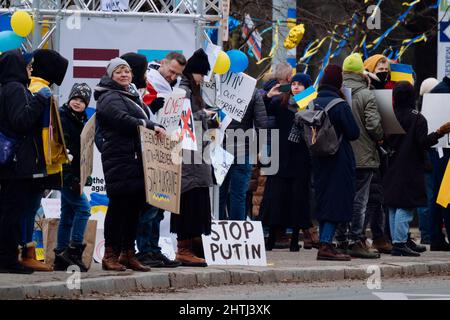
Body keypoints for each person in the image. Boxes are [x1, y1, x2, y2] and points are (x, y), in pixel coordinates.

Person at [95, 57, 165, 272]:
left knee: (134, 209)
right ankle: (110, 255)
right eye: (118, 72)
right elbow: (122, 120)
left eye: (126, 71)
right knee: (118, 208)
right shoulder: (108, 97)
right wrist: (150, 125)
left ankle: (128, 253)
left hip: (136, 159)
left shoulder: (132, 95)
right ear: (110, 75)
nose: (124, 75)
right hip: (120, 159)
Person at [121, 52, 182, 268]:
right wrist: (151, 111)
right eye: (172, 71)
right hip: (141, 153)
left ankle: (153, 249)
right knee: (148, 207)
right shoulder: (131, 91)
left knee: (159, 204)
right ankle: (143, 249)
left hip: (160, 148)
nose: (173, 76)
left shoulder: (150, 88)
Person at [383, 81, 450, 256]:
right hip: (411, 168)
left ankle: (398, 241)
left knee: (392, 206)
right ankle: (399, 243)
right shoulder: (417, 118)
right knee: (405, 207)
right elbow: (423, 143)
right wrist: (439, 132)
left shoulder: (391, 115)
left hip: (391, 166)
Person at [0, 50, 50, 273]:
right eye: (27, 65)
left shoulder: (7, 88)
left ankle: (7, 258)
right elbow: (21, 121)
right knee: (12, 211)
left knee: (8, 210)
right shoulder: (15, 89)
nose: (30, 69)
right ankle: (8, 260)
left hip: (9, 161)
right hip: (16, 162)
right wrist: (40, 99)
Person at [19, 49, 69, 272]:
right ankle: (25, 252)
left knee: (26, 206)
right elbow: (46, 132)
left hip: (29, 159)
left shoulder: (31, 86)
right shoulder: (43, 90)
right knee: (28, 207)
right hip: (39, 161)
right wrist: (57, 158)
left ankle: (24, 251)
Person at [304, 64, 360, 261]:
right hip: (338, 158)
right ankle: (326, 244)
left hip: (318, 158)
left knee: (323, 198)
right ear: (338, 82)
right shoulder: (340, 104)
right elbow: (354, 133)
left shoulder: (311, 103)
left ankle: (326, 241)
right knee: (336, 200)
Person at [170, 49, 215, 267]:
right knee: (190, 200)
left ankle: (192, 246)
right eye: (202, 74)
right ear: (195, 72)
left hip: (196, 154)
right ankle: (184, 248)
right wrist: (203, 115)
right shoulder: (185, 90)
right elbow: (181, 119)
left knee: (196, 200)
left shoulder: (191, 89)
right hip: (188, 155)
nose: (203, 79)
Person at [337, 53, 383, 259]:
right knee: (360, 201)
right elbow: (373, 125)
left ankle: (341, 239)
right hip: (363, 155)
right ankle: (356, 240)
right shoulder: (366, 94)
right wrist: (381, 137)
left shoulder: (337, 91)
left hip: (340, 154)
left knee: (342, 197)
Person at [260, 73, 313, 252]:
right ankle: (272, 237)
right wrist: (268, 96)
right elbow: (263, 110)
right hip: (281, 156)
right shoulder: (281, 103)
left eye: (300, 85)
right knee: (276, 198)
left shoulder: (311, 106)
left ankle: (295, 240)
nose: (296, 87)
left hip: (301, 158)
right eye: (293, 84)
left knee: (297, 199)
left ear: (307, 88)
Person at [53, 83, 93, 272]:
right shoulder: (63, 118)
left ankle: (60, 256)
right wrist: (72, 179)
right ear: (69, 100)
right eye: (75, 99)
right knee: (84, 209)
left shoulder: (80, 120)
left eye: (82, 100)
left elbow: (83, 154)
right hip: (65, 175)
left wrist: (85, 176)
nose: (77, 102)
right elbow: (64, 152)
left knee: (67, 215)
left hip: (72, 175)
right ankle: (74, 250)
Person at [219, 89, 267, 221]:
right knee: (238, 194)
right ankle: (237, 232)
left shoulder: (218, 88)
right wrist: (254, 149)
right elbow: (262, 125)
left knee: (218, 193)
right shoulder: (252, 91)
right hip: (244, 150)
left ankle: (216, 233)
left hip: (219, 149)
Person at [415, 77, 440, 245]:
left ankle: (426, 233)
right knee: (429, 196)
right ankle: (427, 233)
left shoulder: (417, 109)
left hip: (423, 157)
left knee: (427, 196)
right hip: (429, 156)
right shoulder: (428, 111)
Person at [427, 75, 450, 251]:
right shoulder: (442, 91)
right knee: (443, 196)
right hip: (442, 150)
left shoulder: (441, 89)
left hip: (441, 150)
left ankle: (436, 237)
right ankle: (436, 236)